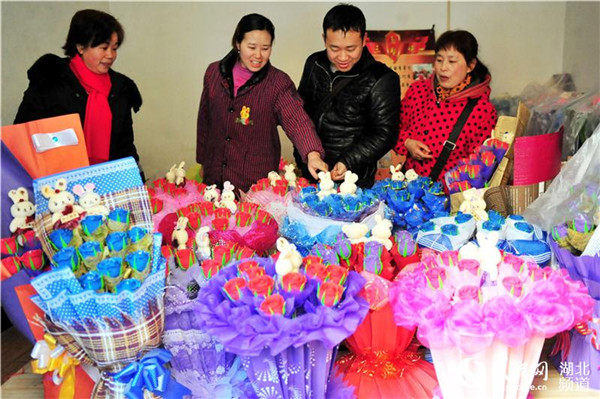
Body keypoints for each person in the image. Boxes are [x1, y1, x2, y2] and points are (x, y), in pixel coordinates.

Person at [196, 13, 327, 193]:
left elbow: (297, 120)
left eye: (265, 48)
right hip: (214, 178)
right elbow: (205, 120)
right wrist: (203, 161)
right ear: (237, 44)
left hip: (254, 185)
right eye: (252, 47)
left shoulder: (277, 83)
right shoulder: (214, 73)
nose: (258, 55)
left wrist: (312, 154)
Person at [15, 9, 143, 168]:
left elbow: (126, 146)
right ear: (81, 47)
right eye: (104, 48)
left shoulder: (121, 87)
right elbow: (23, 134)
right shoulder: (51, 79)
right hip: (58, 182)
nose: (111, 55)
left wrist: (136, 179)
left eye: (115, 48)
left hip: (109, 178)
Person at [295, 4, 400, 188]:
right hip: (311, 169)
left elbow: (385, 133)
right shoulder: (314, 64)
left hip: (353, 178)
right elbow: (299, 113)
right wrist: (307, 154)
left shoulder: (381, 78)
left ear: (364, 39)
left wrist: (347, 162)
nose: (343, 57)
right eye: (334, 48)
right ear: (324, 39)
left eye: (351, 49)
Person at [394, 30, 497, 182]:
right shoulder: (418, 91)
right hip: (408, 191)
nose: (443, 68)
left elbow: (481, 167)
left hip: (450, 198)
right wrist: (406, 142)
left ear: (470, 65)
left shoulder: (482, 110)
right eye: (439, 60)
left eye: (452, 61)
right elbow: (391, 128)